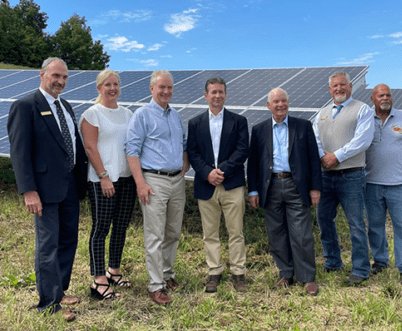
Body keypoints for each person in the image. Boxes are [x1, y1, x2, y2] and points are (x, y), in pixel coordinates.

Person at [7, 57, 88, 321]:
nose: (61, 82)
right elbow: (20, 153)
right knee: (48, 245)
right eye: (56, 76)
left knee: (68, 241)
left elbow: (71, 144)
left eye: (64, 77)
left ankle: (60, 292)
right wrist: (28, 190)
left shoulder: (66, 106)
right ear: (42, 75)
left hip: (69, 188)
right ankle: (49, 304)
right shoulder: (26, 106)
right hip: (43, 190)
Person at [248, 88, 321, 296]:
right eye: (276, 101)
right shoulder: (259, 129)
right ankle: (286, 273)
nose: (280, 105)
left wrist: (315, 188)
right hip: (270, 187)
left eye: (283, 101)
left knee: (301, 233)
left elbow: (313, 159)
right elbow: (253, 163)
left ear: (288, 103)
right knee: (276, 234)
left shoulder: (303, 126)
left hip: (296, 185)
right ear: (268, 105)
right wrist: (253, 190)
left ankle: (307, 277)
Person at [126, 70, 189, 306]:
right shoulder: (141, 115)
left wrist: (184, 160)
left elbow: (183, 142)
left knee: (173, 231)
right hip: (154, 181)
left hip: (176, 181)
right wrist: (140, 183)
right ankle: (155, 286)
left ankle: (167, 274)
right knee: (155, 234)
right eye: (161, 87)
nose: (166, 92)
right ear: (151, 88)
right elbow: (131, 150)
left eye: (169, 88)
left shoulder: (175, 115)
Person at [187, 77, 249, 293]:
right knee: (210, 233)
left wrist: (221, 171)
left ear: (225, 94)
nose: (217, 95)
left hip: (231, 184)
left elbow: (242, 150)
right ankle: (214, 271)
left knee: (236, 232)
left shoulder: (239, 121)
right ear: (206, 96)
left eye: (221, 92)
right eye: (213, 92)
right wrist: (207, 173)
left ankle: (238, 272)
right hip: (206, 185)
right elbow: (192, 153)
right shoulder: (195, 123)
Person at [313, 70, 374, 285]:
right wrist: (322, 156)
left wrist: (337, 156)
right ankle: (332, 261)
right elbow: (316, 139)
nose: (338, 89)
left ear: (350, 87)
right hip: (325, 177)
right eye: (334, 86)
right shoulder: (321, 113)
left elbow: (363, 140)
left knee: (356, 223)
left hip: (352, 176)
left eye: (342, 85)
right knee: (324, 220)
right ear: (330, 89)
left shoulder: (362, 110)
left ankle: (360, 269)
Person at [80, 70, 137, 300]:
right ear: (99, 88)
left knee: (121, 226)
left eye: (115, 84)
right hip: (103, 179)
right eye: (107, 85)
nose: (112, 88)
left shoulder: (128, 114)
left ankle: (113, 270)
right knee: (101, 228)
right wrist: (103, 176)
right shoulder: (92, 114)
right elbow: (91, 147)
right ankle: (98, 280)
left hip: (126, 178)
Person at [365, 84, 402, 288]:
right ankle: (380, 261)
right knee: (375, 226)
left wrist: (399, 163)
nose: (385, 98)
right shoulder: (365, 120)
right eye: (380, 95)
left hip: (400, 184)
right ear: (373, 99)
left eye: (388, 95)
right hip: (372, 183)